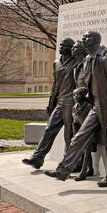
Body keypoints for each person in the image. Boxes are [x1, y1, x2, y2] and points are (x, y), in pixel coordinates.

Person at [44, 31, 107, 187]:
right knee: (78, 137)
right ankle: (63, 170)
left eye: (87, 37)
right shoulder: (88, 59)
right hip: (94, 107)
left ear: (95, 41)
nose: (83, 38)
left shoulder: (106, 59)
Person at [22, 38, 76, 169]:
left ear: (70, 48)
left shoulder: (77, 61)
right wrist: (51, 102)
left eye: (64, 45)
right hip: (59, 101)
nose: (60, 47)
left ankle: (68, 163)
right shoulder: (56, 63)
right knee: (49, 130)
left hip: (71, 102)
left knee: (69, 134)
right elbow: (55, 84)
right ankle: (37, 158)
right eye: (60, 45)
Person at [71, 87, 95, 181]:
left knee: (87, 149)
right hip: (79, 132)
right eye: (74, 95)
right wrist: (75, 135)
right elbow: (75, 122)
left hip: (89, 131)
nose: (76, 96)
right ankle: (90, 169)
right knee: (84, 150)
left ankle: (83, 171)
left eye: (78, 94)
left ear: (84, 96)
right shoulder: (74, 108)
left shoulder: (88, 106)